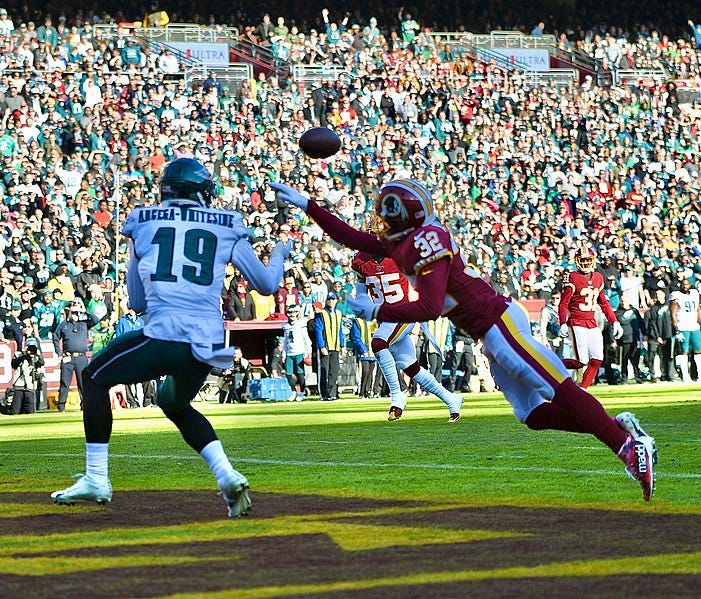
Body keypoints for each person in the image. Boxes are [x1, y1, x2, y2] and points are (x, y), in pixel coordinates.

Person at [271, 179, 657, 501]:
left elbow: (430, 306)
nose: (380, 224)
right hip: (486, 330)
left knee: (557, 388)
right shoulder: (403, 241)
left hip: (498, 321)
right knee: (532, 415)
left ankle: (627, 448)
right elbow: (351, 237)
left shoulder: (427, 241)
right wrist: (308, 205)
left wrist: (378, 313)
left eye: (387, 215)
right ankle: (618, 429)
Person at [51, 158, 289, 518]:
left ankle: (97, 477)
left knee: (93, 377)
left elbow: (136, 301)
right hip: (207, 344)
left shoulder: (144, 222)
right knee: (172, 402)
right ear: (199, 192)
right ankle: (227, 475)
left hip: (164, 334)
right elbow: (267, 285)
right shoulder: (226, 224)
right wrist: (279, 255)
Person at [351, 252, 462, 421]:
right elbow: (361, 290)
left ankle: (397, 396)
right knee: (409, 366)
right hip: (385, 320)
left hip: (403, 314)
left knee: (379, 343)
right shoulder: (361, 261)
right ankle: (451, 399)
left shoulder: (398, 257)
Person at [558, 247, 623, 388]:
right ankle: (550, 363)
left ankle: (582, 390)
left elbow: (604, 303)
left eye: (588, 260)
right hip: (576, 322)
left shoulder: (599, 277)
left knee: (597, 359)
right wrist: (563, 322)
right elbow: (563, 303)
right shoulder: (572, 277)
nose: (586, 263)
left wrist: (614, 321)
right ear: (577, 261)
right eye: (583, 260)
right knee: (581, 361)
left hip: (592, 323)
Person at [53, 299, 94, 412]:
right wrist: (59, 353)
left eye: (77, 312)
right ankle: (61, 405)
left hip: (81, 357)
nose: (75, 314)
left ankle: (85, 404)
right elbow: (55, 337)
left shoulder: (84, 323)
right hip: (68, 357)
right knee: (65, 382)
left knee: (83, 383)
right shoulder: (63, 325)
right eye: (73, 311)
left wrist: (84, 310)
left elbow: (96, 319)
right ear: (69, 312)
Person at [314, 292, 344, 401]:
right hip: (325, 347)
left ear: (336, 300)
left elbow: (339, 329)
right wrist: (322, 346)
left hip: (335, 346)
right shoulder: (321, 314)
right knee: (323, 371)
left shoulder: (339, 313)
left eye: (333, 299)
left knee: (334, 372)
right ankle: (323, 394)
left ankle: (332, 394)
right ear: (326, 301)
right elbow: (318, 331)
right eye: (329, 299)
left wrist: (342, 344)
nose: (331, 301)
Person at [670, 279, 701, 383]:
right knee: (684, 351)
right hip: (683, 326)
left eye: (687, 284)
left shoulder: (695, 293)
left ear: (690, 285)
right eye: (683, 285)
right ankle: (685, 375)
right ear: (680, 285)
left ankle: (699, 374)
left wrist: (699, 322)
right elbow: (673, 313)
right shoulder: (676, 295)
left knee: (698, 351)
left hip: (694, 326)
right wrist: (677, 330)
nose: (685, 286)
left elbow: (698, 309)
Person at [4, 336, 44, 414]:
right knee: (15, 411)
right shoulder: (18, 354)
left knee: (30, 411)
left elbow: (41, 363)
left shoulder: (36, 357)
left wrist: (38, 355)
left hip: (30, 386)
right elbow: (14, 364)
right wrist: (24, 355)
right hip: (19, 386)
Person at [281, 304, 311, 400]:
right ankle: (293, 391)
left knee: (300, 373)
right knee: (288, 374)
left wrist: (308, 351)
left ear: (297, 313)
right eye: (290, 312)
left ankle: (301, 393)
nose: (292, 314)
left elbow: (306, 339)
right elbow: (285, 341)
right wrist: (284, 353)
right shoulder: (285, 326)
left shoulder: (301, 323)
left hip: (299, 352)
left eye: (294, 312)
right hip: (290, 353)